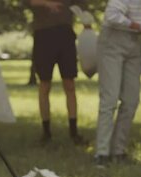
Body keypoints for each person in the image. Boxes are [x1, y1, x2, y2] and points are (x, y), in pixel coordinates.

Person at [93, 0, 141, 167]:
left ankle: (118, 152)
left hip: (133, 43)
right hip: (113, 40)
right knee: (109, 99)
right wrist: (137, 26)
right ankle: (102, 154)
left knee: (131, 100)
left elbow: (138, 21)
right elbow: (111, 15)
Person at [23, 0, 88, 145]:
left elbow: (81, 6)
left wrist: (86, 21)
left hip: (65, 35)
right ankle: (46, 132)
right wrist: (46, 4)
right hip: (43, 35)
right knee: (45, 84)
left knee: (69, 85)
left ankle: (74, 132)